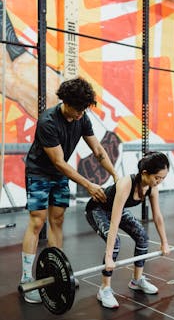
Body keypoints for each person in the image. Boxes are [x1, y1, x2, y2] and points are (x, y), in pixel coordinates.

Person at [19, 77, 119, 304]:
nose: (81, 114)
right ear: (65, 102)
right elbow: (59, 162)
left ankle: (55, 271)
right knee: (37, 221)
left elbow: (98, 150)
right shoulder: (48, 122)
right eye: (77, 109)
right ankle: (27, 278)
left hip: (59, 175)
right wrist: (89, 185)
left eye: (84, 110)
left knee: (58, 220)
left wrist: (115, 174)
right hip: (39, 172)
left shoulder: (81, 117)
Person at [85, 151, 170, 309]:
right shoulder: (126, 184)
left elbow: (157, 216)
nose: (159, 181)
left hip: (115, 209)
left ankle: (137, 280)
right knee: (116, 241)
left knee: (142, 237)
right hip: (97, 209)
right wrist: (109, 257)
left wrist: (164, 242)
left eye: (163, 178)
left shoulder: (152, 188)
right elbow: (115, 220)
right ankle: (104, 289)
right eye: (157, 177)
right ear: (145, 173)